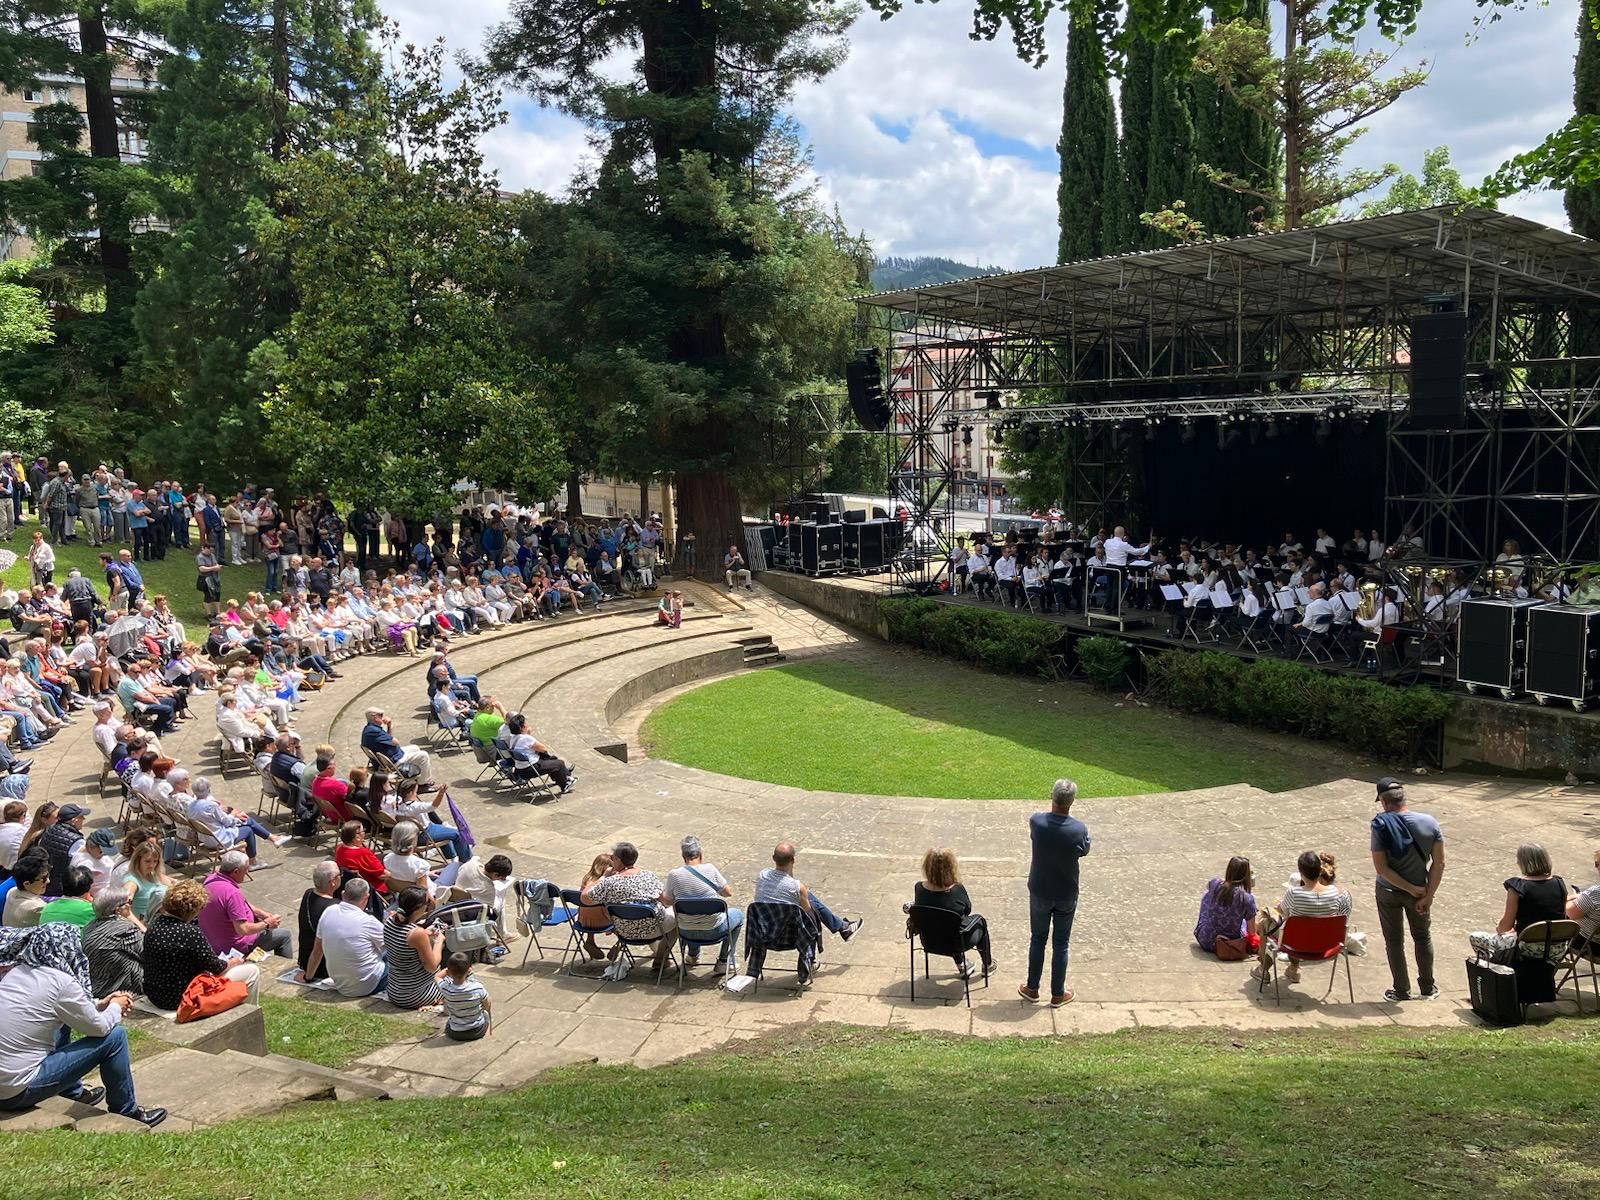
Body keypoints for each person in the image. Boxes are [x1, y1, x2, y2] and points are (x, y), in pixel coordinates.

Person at [0, 923, 166, 1127]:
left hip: (5, 1083)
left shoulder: (17, 973)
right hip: (16, 1091)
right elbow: (99, 1028)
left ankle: (73, 1092)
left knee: (62, 1023)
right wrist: (115, 1007)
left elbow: (62, 1005)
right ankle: (127, 1111)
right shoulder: (61, 981)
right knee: (115, 1037)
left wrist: (100, 1003)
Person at [1370, 776, 1444, 1002]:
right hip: (1421, 893)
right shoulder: (1429, 823)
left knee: (1394, 941)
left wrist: (1408, 888)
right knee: (1422, 937)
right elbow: (1439, 863)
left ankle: (1401, 991)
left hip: (1389, 892)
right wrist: (1426, 895)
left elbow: (1381, 868)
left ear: (1383, 801)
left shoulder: (1380, 825)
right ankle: (1428, 988)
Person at [1020, 778, 1091, 1007]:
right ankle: (1058, 993)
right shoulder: (1078, 829)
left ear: (1052, 797)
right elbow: (1085, 849)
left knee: (1037, 939)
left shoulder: (1037, 822)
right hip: (1066, 892)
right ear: (1072, 802)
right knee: (1061, 943)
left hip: (1040, 890)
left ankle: (1032, 988)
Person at [142, 879, 261, 1009]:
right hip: (182, 997)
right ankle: (248, 1012)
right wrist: (235, 962)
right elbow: (216, 967)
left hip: (156, 995)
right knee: (252, 971)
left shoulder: (155, 926)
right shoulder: (190, 933)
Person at [1253, 850, 1352, 984]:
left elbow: (1280, 911)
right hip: (1327, 943)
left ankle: (1263, 969)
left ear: (1301, 872)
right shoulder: (1335, 893)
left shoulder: (1294, 893)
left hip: (1297, 943)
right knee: (1299, 929)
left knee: (1268, 923)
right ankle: (1293, 969)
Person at [583, 841, 676, 972]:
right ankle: (661, 959)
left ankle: (658, 954)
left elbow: (585, 897)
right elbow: (666, 901)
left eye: (613, 858)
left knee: (634, 913)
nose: (612, 860)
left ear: (619, 861)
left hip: (623, 931)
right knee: (678, 916)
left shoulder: (609, 882)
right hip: (654, 928)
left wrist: (603, 877)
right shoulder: (648, 876)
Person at [1467, 844, 1569, 963]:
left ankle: (1499, 975)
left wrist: (1502, 928)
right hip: (1557, 949)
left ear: (1523, 863)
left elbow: (1505, 926)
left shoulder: (1517, 887)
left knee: (1476, 937)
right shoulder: (1559, 883)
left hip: (1527, 948)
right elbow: (1561, 917)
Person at [753, 841, 863, 945]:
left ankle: (843, 927)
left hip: (763, 929)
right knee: (808, 899)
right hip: (788, 935)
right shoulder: (796, 886)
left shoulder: (762, 875)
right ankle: (842, 928)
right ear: (793, 860)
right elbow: (809, 914)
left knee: (804, 895)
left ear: (773, 858)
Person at [664, 834, 743, 975]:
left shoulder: (674, 875)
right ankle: (724, 960)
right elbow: (727, 893)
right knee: (738, 915)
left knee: (691, 915)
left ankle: (693, 956)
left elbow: (668, 901)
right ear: (701, 854)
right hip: (714, 930)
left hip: (685, 930)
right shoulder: (710, 869)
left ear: (683, 856)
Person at [912, 847, 994, 979]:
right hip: (957, 943)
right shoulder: (957, 889)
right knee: (977, 921)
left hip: (929, 941)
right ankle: (988, 965)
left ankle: (962, 964)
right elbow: (967, 909)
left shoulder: (919, 888)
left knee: (943, 922)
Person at [198, 850, 292, 959]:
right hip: (235, 946)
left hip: (213, 939)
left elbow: (237, 904)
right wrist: (267, 923)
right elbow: (243, 930)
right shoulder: (231, 893)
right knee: (284, 935)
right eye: (246, 869)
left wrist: (260, 913)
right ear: (236, 872)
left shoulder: (210, 879)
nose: (247, 873)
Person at [302, 877, 387, 998]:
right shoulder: (369, 922)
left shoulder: (328, 912)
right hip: (368, 984)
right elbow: (393, 947)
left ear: (343, 894)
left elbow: (317, 950)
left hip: (341, 984)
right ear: (366, 897)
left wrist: (308, 977)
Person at [382, 886, 444, 1010]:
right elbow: (431, 967)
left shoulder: (390, 920)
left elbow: (404, 941)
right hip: (416, 994)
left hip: (395, 990)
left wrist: (425, 934)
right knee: (462, 978)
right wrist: (439, 941)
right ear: (418, 909)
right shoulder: (416, 933)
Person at [82, 890, 145, 996]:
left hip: (96, 986)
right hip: (119, 987)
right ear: (118, 910)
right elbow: (146, 953)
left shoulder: (89, 926)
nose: (130, 907)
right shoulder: (125, 929)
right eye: (128, 903)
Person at [1194, 856, 1260, 954]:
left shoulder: (1215, 883)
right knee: (1245, 916)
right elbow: (1251, 932)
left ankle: (1211, 926)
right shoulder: (1246, 898)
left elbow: (1209, 886)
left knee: (1207, 895)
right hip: (1229, 943)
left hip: (1206, 939)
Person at [360, 706, 435, 788]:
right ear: (375, 718)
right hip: (394, 760)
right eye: (381, 715)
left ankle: (415, 772)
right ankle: (423, 784)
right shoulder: (374, 731)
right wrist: (389, 725)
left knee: (415, 747)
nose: (383, 717)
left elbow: (389, 739)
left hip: (390, 756)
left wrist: (389, 726)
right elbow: (395, 742)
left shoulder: (369, 728)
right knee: (423, 755)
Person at [294, 861, 343, 982]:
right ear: (332, 882)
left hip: (305, 959)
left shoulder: (308, 893)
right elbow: (319, 948)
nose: (341, 877)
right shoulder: (335, 908)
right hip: (322, 967)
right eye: (339, 875)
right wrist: (308, 977)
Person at [440, 951, 491, 1041]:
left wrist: (448, 970)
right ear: (469, 970)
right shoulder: (477, 987)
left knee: (449, 1021)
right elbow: (487, 1005)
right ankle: (487, 1036)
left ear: (448, 972)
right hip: (477, 1030)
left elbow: (437, 977)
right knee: (486, 1015)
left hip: (455, 1032)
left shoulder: (445, 988)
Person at [3, 852, 49, 927]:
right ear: (27, 883)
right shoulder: (37, 908)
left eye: (47, 876)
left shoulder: (12, 891)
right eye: (43, 879)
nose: (48, 881)